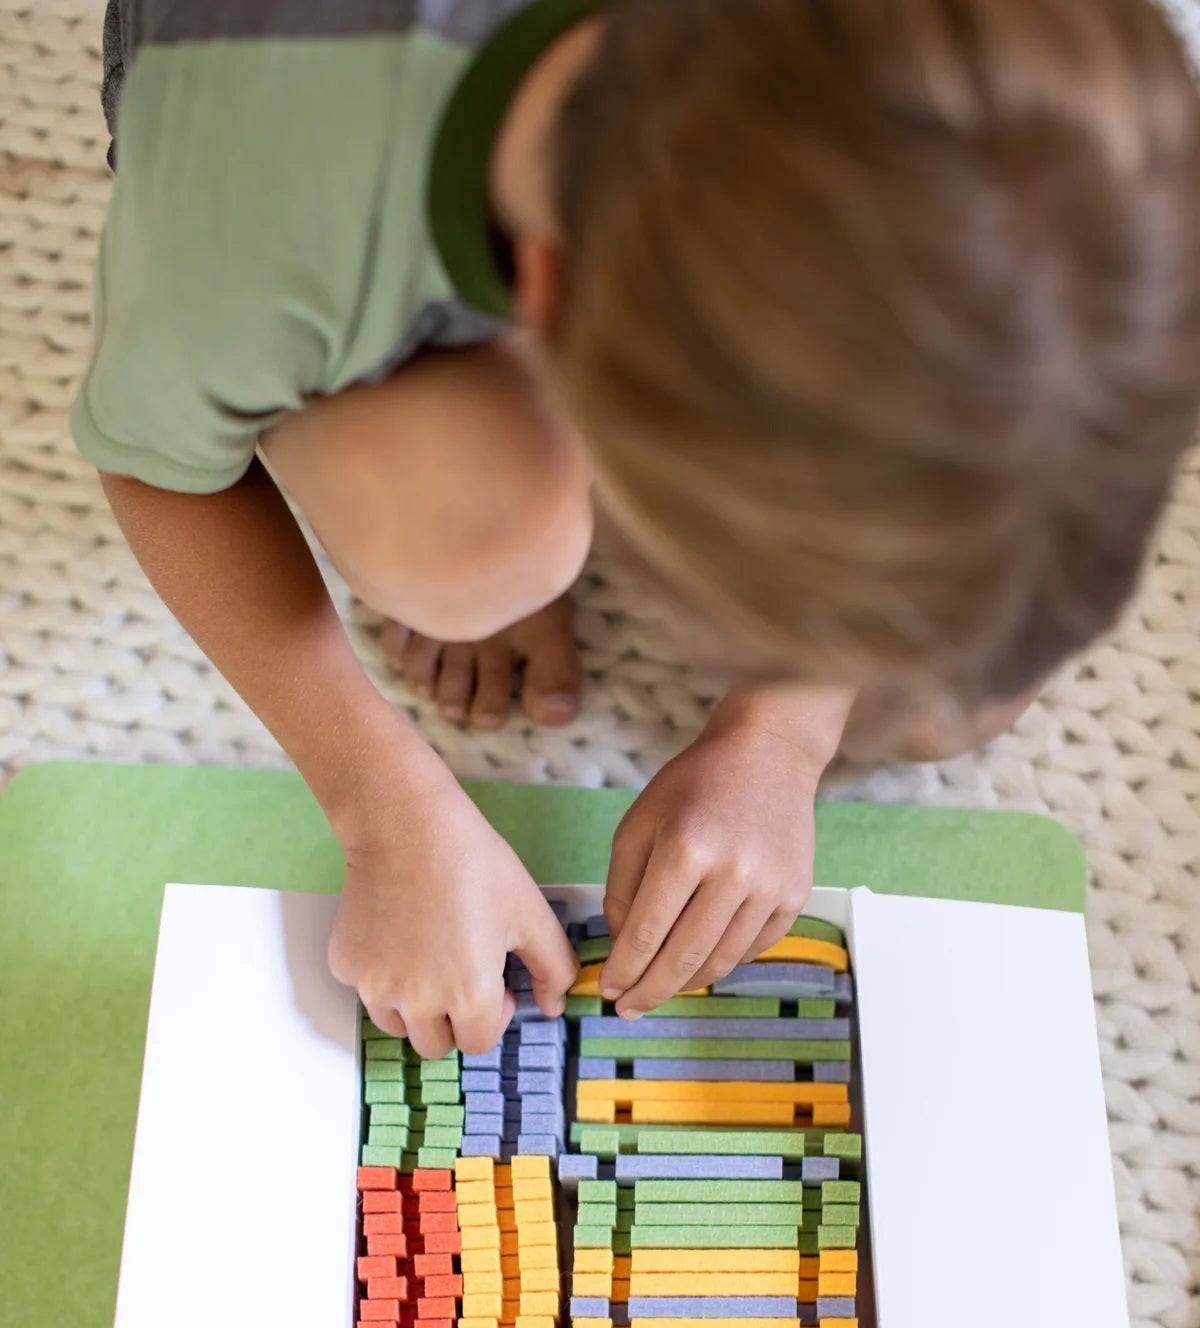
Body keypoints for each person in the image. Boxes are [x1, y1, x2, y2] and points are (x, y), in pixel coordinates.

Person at [75, 0, 1200, 1055]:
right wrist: (382, 809)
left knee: (956, 696)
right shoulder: (260, 206)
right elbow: (152, 466)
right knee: (471, 545)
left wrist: (783, 732)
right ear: (552, 340)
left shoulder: (1023, 87)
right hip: (313, 124)